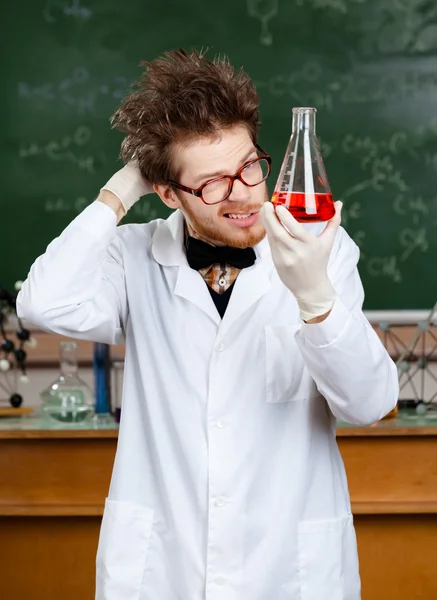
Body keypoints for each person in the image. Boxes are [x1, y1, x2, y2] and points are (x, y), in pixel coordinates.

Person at [17, 49, 398, 600]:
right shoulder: (135, 256)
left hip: (288, 570)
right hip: (163, 569)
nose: (243, 193)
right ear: (168, 193)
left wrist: (315, 297)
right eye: (213, 183)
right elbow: (40, 303)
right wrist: (121, 190)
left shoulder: (324, 250)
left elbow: (367, 405)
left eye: (248, 166)